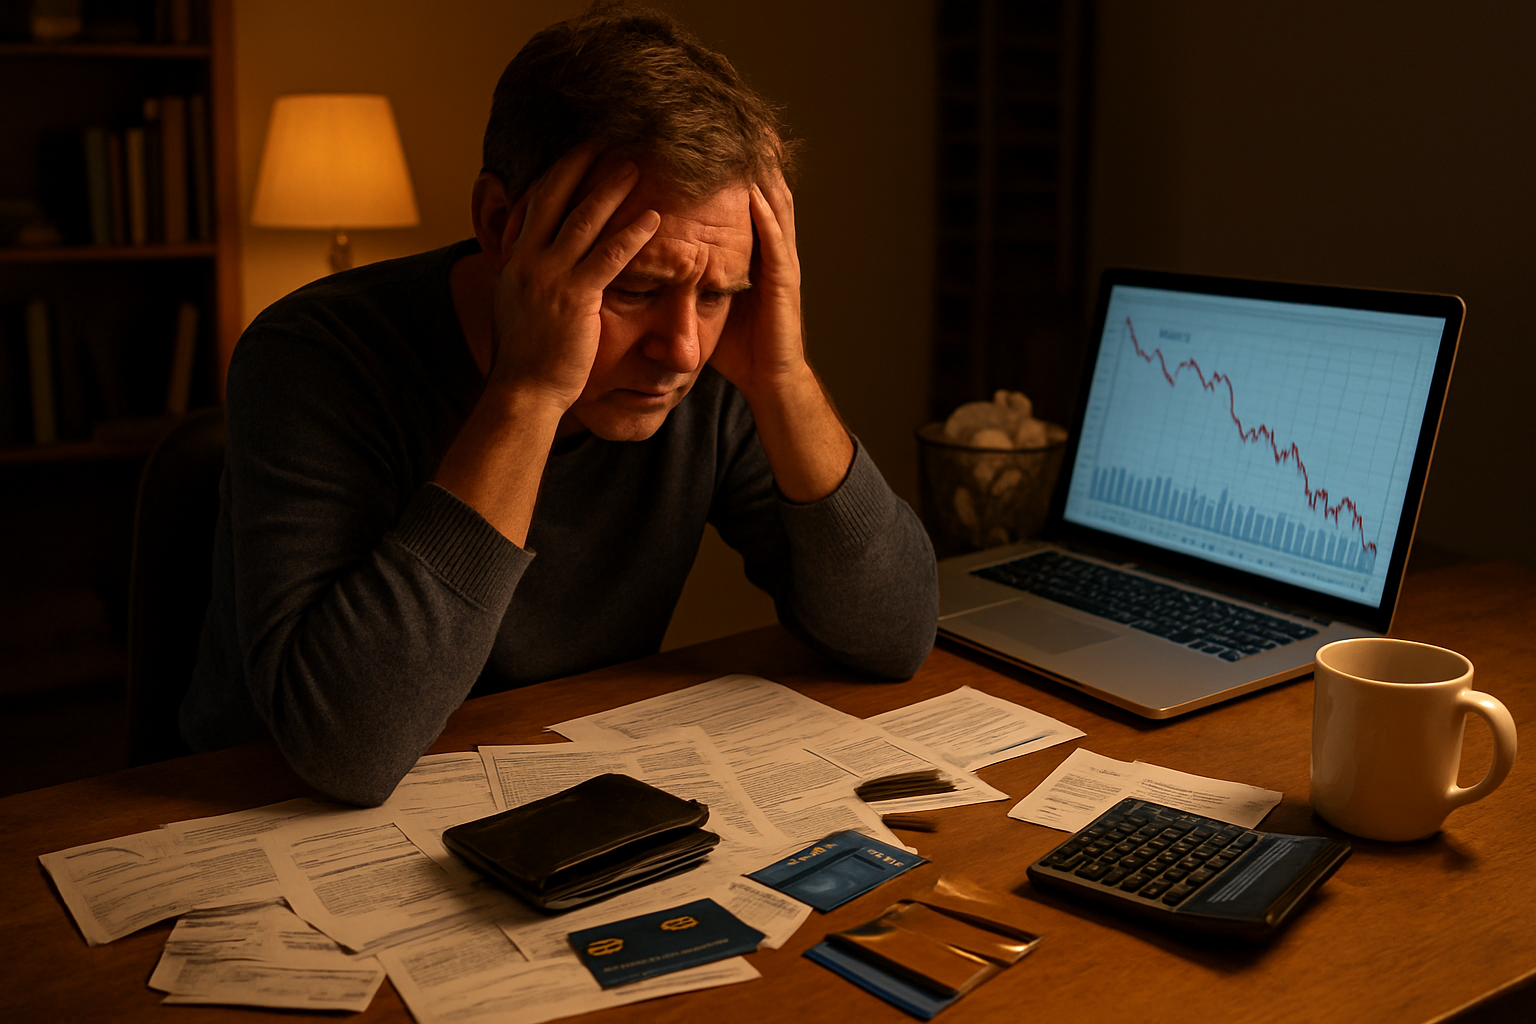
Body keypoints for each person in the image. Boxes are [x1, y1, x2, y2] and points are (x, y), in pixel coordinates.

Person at [180, 4, 938, 806]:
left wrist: (783, 378)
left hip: (550, 783)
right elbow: (347, 752)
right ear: (501, 225)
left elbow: (893, 637)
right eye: (634, 288)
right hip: (255, 813)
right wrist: (529, 392)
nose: (682, 348)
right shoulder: (313, 355)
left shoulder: (713, 365)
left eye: (719, 293)